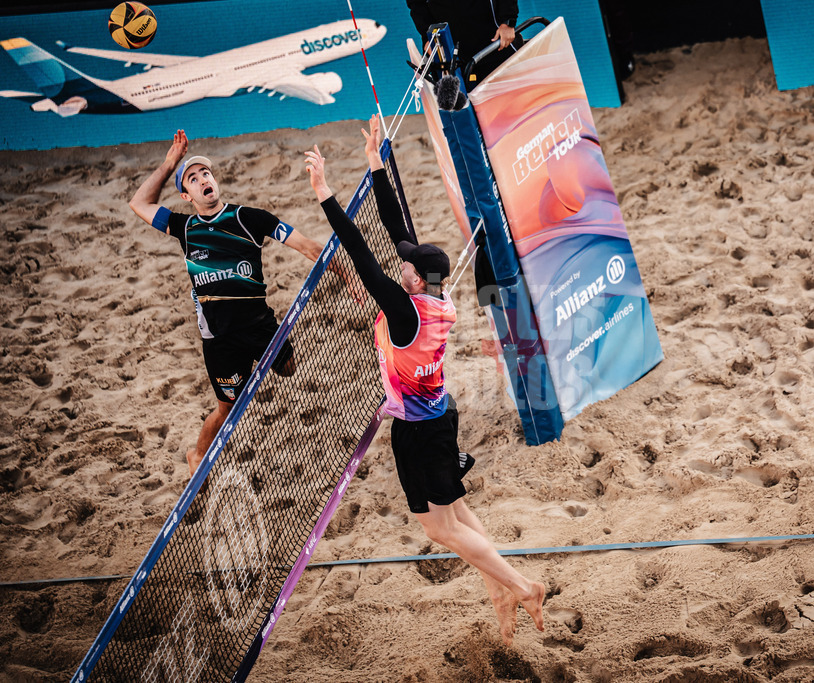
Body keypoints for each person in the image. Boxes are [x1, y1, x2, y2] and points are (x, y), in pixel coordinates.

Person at [304, 115, 545, 646]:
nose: (403, 261)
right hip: (436, 415)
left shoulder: (403, 310)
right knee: (456, 513)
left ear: (413, 277)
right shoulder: (434, 296)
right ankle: (499, 589)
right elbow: (399, 235)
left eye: (407, 264)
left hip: (422, 428)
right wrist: (375, 165)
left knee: (440, 529)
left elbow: (363, 253)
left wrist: (325, 193)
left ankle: (524, 586)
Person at [129, 130, 328, 476]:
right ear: (186, 195)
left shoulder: (250, 219)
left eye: (206, 173)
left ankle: (264, 359)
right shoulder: (184, 228)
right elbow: (139, 204)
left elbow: (310, 247)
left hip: (259, 325)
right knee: (227, 410)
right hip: (219, 341)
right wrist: (169, 163)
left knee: (289, 368)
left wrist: (352, 277)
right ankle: (197, 455)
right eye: (193, 178)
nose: (203, 179)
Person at [407, 0, 521, 88]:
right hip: (450, 50)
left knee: (514, 102)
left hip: (494, 42)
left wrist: (508, 21)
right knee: (460, 112)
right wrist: (428, 36)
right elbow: (416, 4)